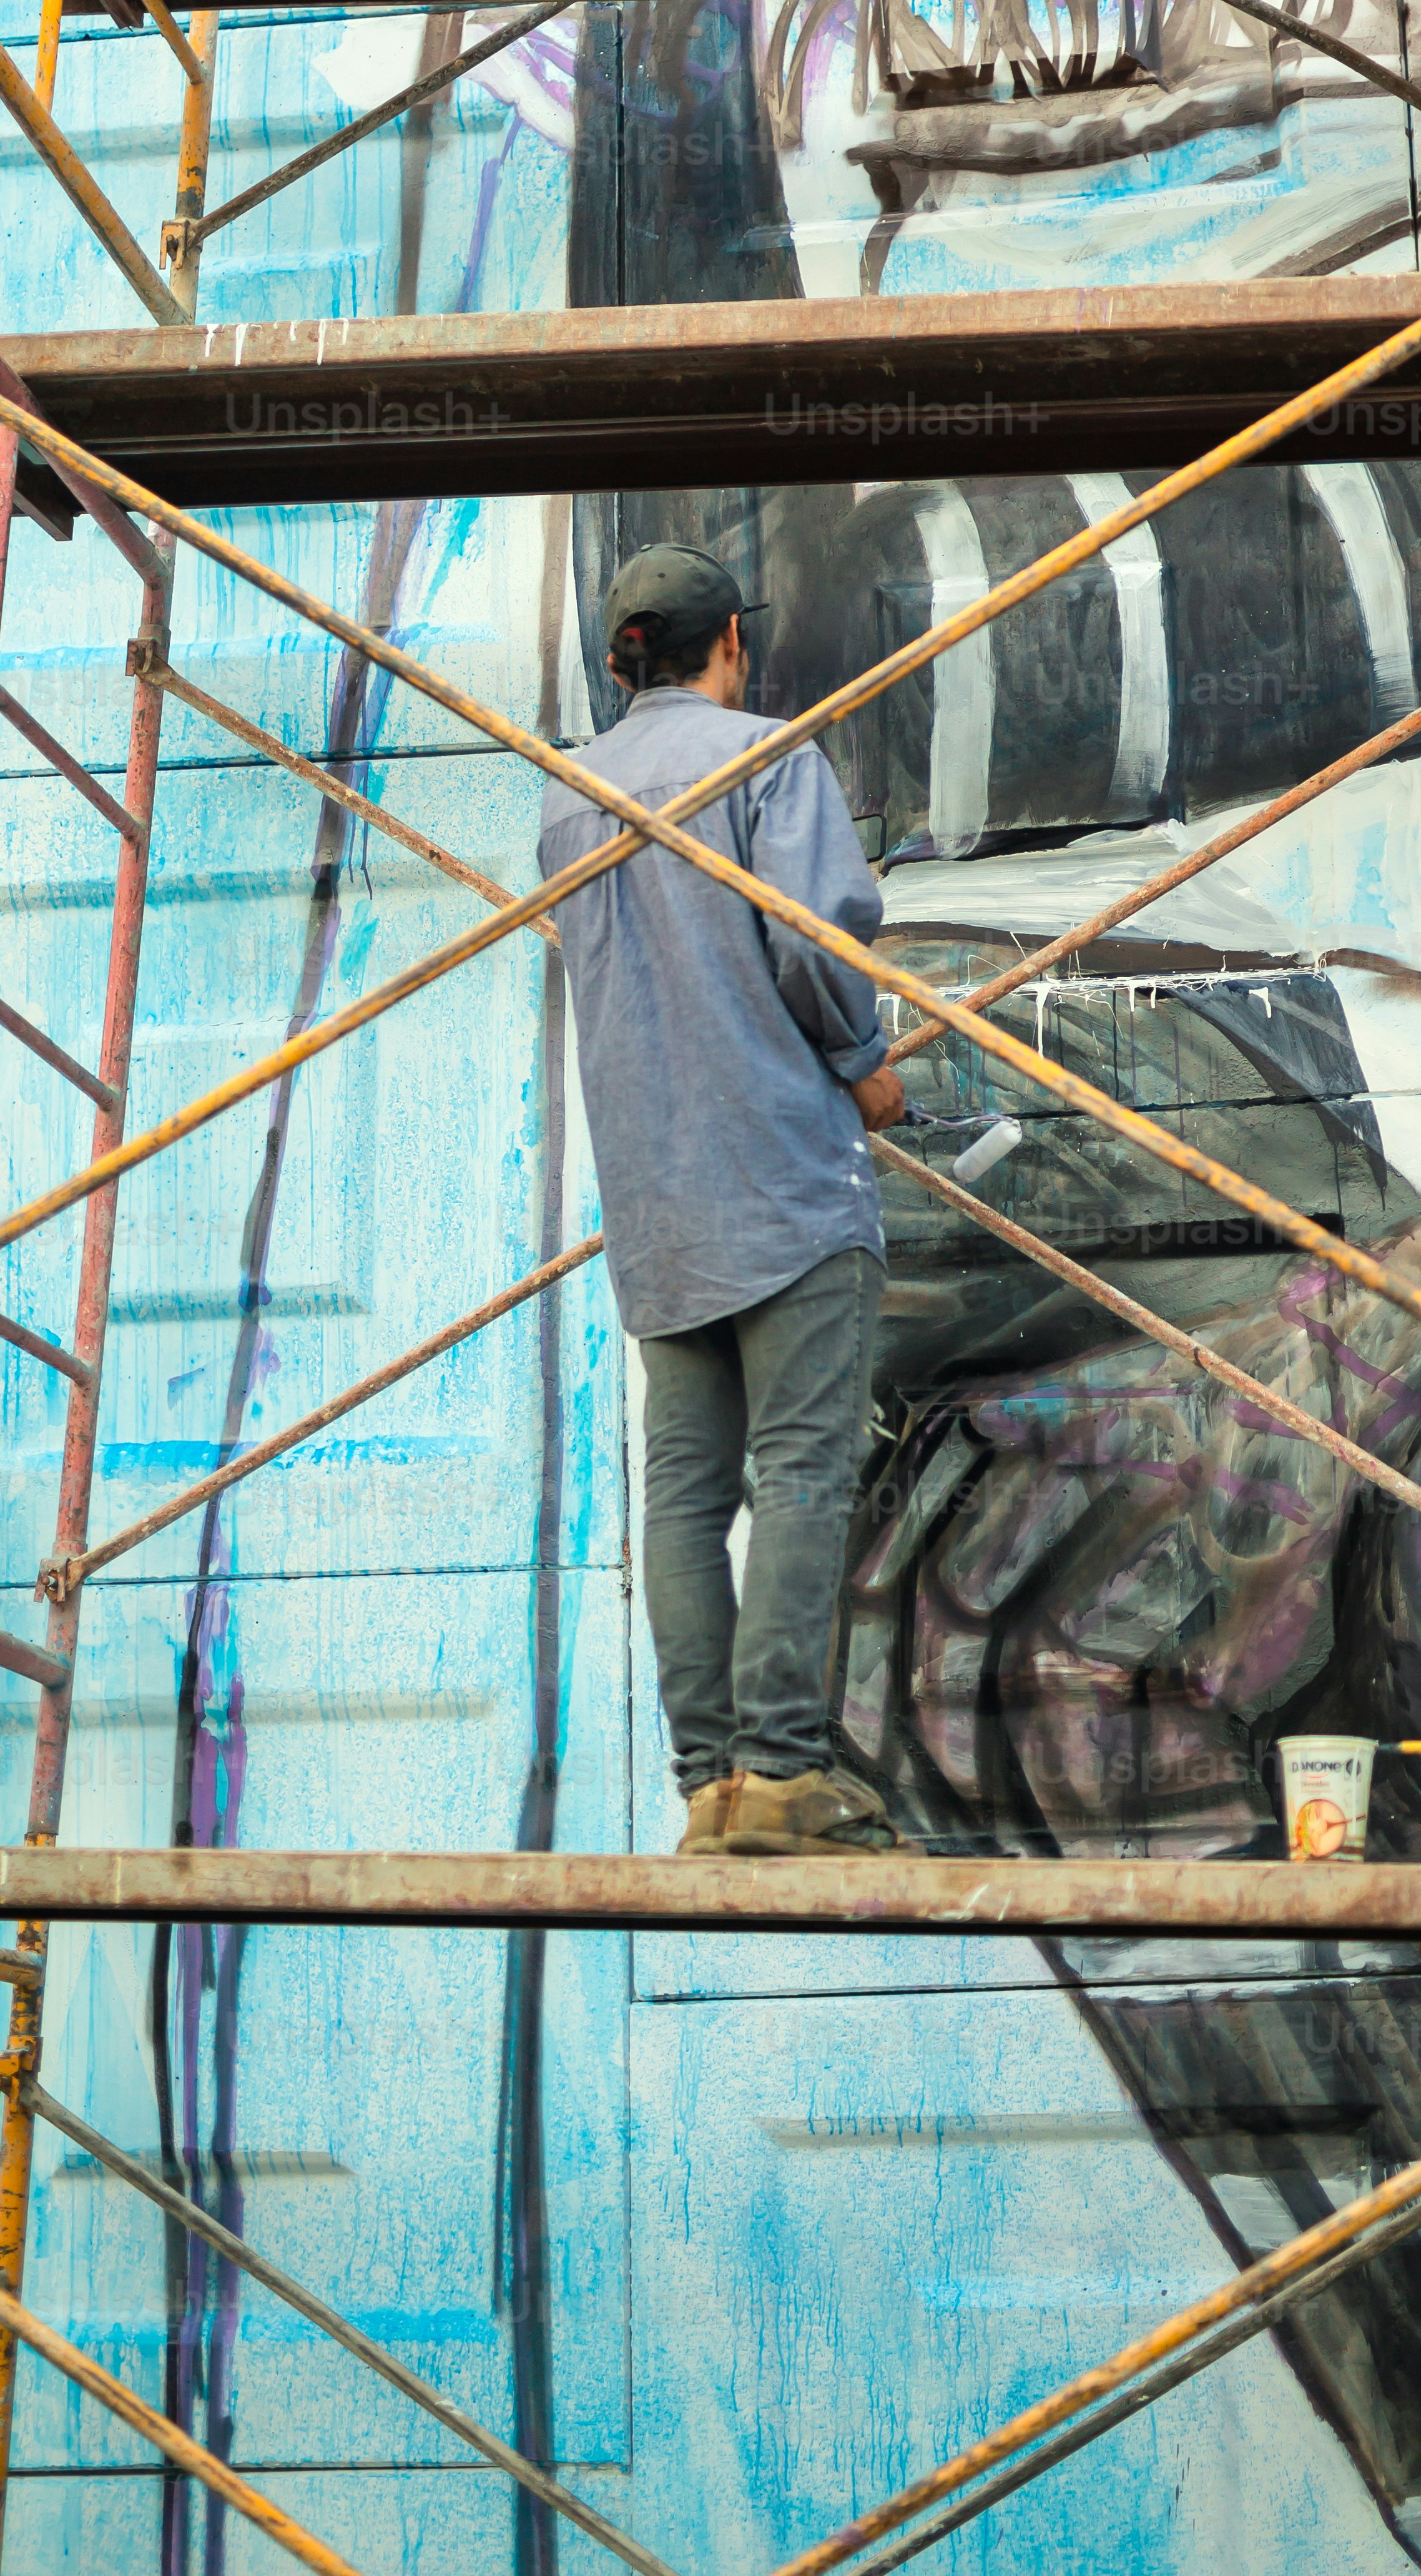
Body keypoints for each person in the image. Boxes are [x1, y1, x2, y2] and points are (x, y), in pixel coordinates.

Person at [537, 541, 910, 1861]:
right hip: (784, 1184)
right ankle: (784, 1775)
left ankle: (712, 1790)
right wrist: (868, 1073)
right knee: (803, 1471)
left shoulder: (570, 800)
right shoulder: (769, 758)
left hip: (660, 1205)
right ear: (732, 641)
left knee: (687, 1497)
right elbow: (816, 952)